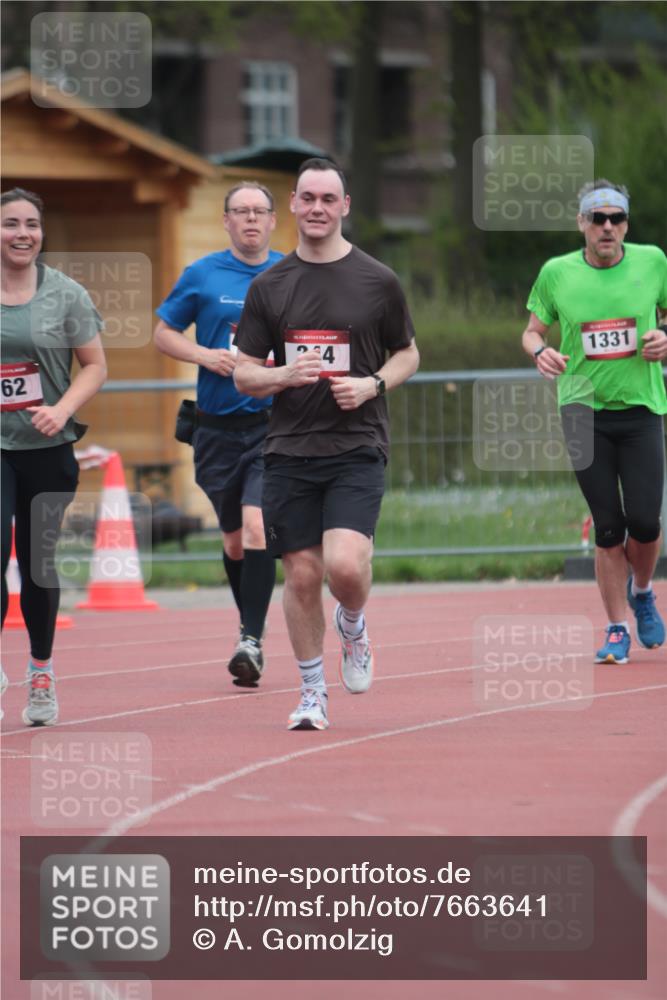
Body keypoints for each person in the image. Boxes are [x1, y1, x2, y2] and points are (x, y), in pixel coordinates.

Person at [234, 157, 419, 730]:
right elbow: (243, 372)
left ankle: (354, 624)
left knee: (344, 567)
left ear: (344, 208)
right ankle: (312, 690)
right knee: (303, 575)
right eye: (307, 198)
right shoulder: (269, 286)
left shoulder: (378, 279)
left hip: (357, 445)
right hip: (289, 449)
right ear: (292, 204)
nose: (317, 209)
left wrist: (373, 384)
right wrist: (281, 376)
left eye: (328, 199)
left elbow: (408, 353)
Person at [522, 178, 667, 664]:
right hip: (582, 411)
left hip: (642, 408)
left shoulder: (653, 261)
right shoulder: (556, 273)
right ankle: (615, 628)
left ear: (626, 224)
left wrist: (665, 338)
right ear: (581, 223)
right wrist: (540, 352)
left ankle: (642, 590)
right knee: (609, 527)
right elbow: (531, 331)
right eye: (597, 218)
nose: (608, 227)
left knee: (645, 522)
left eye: (617, 218)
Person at [154, 182, 281, 687]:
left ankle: (251, 637)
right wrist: (206, 356)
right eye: (240, 212)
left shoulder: (290, 272)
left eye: (259, 211)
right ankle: (250, 625)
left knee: (256, 528)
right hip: (215, 429)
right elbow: (162, 332)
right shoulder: (202, 274)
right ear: (226, 221)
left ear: (273, 220)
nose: (250, 219)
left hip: (272, 427)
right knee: (233, 541)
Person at [1, 188, 107, 724]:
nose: (23, 234)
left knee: (39, 565)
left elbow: (94, 365)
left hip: (47, 448)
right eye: (11, 224)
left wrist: (62, 409)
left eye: (32, 225)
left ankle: (40, 673)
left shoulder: (65, 294)